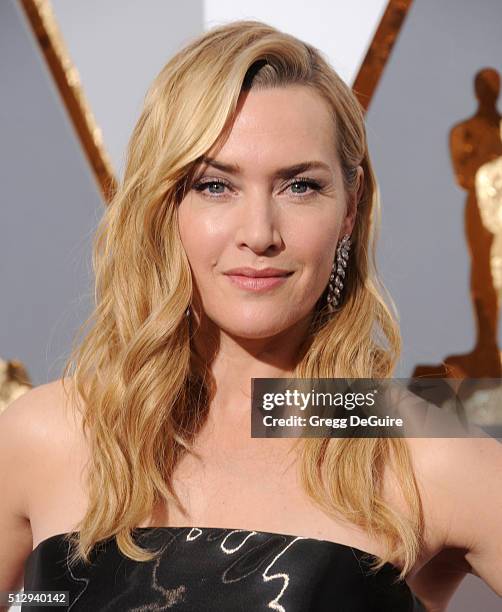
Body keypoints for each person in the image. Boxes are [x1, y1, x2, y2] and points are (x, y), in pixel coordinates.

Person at [1, 19, 501, 612]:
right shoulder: (41, 436)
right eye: (215, 186)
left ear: (350, 206)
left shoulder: (420, 450)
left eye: (300, 187)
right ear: (164, 206)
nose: (259, 233)